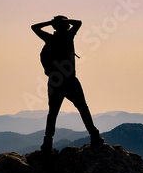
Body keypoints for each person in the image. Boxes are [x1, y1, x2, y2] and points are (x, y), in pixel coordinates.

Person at [31, 15, 104, 151]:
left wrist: (51, 22)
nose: (69, 25)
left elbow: (34, 27)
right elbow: (78, 22)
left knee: (53, 113)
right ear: (65, 26)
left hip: (55, 82)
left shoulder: (50, 38)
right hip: (70, 81)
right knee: (83, 108)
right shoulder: (68, 36)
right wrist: (62, 22)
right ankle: (94, 136)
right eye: (66, 24)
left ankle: (47, 143)